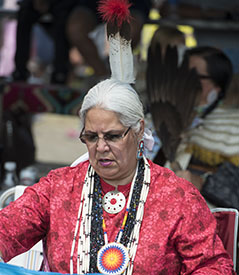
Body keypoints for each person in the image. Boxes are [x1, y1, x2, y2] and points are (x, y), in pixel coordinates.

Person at [0, 78, 236, 274]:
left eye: (113, 136)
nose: (101, 147)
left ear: (139, 130)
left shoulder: (177, 197)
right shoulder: (59, 187)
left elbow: (213, 266)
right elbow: (6, 230)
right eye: (91, 137)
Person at [174, 46, 239, 192]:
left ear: (217, 84)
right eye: (182, 74)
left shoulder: (234, 125)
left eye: (194, 76)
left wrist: (202, 182)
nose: (185, 82)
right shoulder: (165, 115)